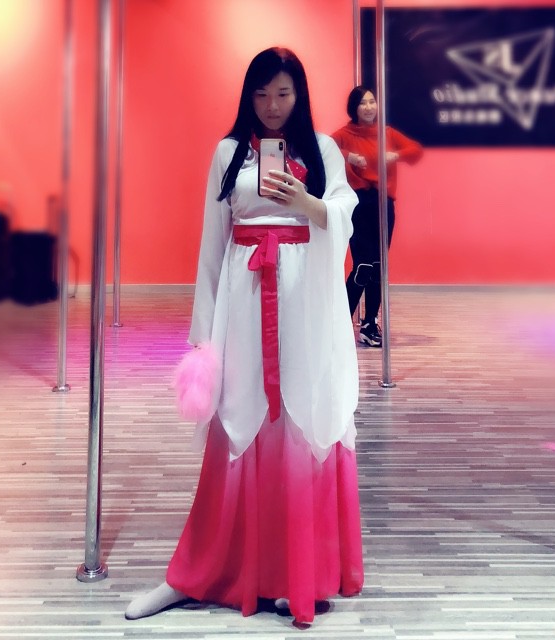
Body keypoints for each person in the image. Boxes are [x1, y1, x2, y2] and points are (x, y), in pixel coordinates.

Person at [125, 47, 364, 626]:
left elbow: (344, 213)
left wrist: (306, 203)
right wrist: (202, 339)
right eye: (261, 94)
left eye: (282, 93)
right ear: (247, 97)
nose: (272, 106)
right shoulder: (228, 153)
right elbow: (212, 246)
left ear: (299, 95)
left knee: (302, 422)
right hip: (244, 302)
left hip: (305, 307)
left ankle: (294, 574)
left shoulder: (322, 150)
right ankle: (199, 572)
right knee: (239, 418)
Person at [331, 86, 423, 348]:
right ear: (354, 107)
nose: (369, 107)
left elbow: (415, 151)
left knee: (378, 265)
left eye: (372, 102)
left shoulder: (387, 133)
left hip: (383, 204)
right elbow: (321, 151)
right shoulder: (343, 135)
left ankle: (369, 324)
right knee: (363, 266)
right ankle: (338, 324)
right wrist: (349, 156)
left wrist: (396, 154)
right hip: (358, 203)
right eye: (363, 103)